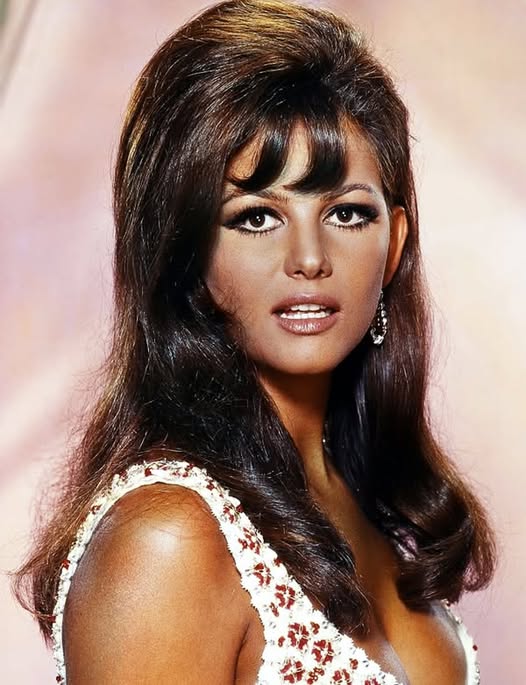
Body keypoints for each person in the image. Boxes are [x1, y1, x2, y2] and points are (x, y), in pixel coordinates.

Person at [15, 1, 496, 683]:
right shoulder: (170, 537)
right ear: (190, 256)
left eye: (346, 213)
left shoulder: (376, 511)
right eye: (256, 217)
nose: (309, 258)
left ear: (393, 245)